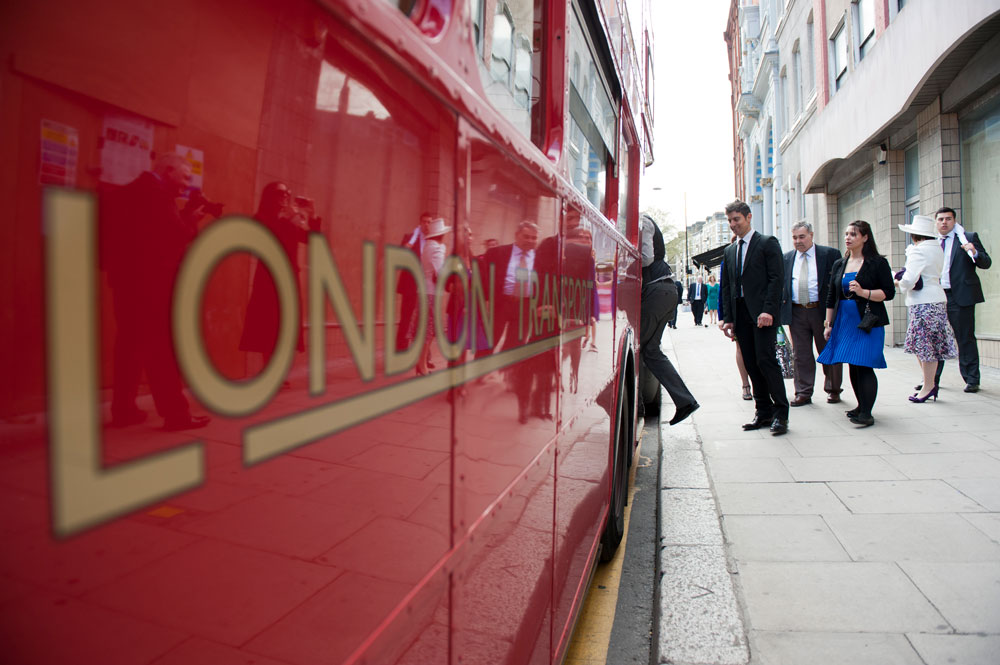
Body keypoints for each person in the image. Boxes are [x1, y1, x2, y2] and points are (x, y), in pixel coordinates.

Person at [102, 153, 210, 431]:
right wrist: (192, 218)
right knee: (160, 347)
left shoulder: (124, 193)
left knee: (128, 346)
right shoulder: (158, 195)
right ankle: (176, 415)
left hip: (124, 282)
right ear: (168, 170)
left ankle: (123, 410)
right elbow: (175, 235)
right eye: (185, 177)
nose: (187, 184)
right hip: (151, 285)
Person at [719, 200, 788, 435]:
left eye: (736, 219)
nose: (732, 224)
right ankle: (763, 412)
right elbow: (727, 287)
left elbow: (776, 280)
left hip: (763, 315)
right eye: (729, 220)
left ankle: (781, 414)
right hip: (740, 316)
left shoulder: (767, 243)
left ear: (748, 217)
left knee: (766, 361)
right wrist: (727, 318)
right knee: (750, 363)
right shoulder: (730, 251)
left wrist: (768, 310)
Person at [817, 220, 895, 427]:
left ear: (865, 237)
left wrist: (863, 292)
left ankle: (867, 413)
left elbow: (889, 293)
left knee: (865, 364)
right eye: (846, 234)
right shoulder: (839, 264)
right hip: (845, 320)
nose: (848, 238)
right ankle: (861, 406)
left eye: (853, 234)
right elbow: (831, 296)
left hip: (868, 321)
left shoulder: (877, 263)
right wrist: (828, 324)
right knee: (853, 363)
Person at [240, 182, 318, 378]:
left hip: (289, 280)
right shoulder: (260, 220)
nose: (285, 197)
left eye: (287, 194)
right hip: (268, 280)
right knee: (268, 326)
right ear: (270, 197)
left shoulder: (287, 222)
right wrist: (290, 221)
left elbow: (313, 240)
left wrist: (313, 216)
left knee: (286, 325)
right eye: (281, 194)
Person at [639, 214, 699, 426]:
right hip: (664, 291)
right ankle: (685, 401)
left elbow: (646, 258)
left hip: (656, 290)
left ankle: (637, 405)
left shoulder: (642, 220)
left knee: (638, 347)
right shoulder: (644, 221)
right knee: (651, 351)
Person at [779, 221, 843, 406]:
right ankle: (803, 392)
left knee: (828, 350)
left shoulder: (829, 255)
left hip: (822, 311)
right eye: (794, 237)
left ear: (811, 235)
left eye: (802, 236)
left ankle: (833, 389)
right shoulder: (786, 258)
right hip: (797, 311)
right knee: (801, 354)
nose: (798, 241)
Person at [895, 215, 957, 403]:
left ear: (914, 235)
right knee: (929, 345)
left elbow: (909, 279)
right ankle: (929, 384)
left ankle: (929, 386)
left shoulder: (918, 251)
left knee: (924, 347)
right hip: (937, 299)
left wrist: (897, 281)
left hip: (923, 303)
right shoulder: (937, 248)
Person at [933, 206, 992, 393]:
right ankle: (931, 380)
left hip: (960, 296)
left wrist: (974, 252)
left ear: (954, 221)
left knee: (965, 338)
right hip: (937, 296)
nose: (944, 222)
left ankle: (972, 379)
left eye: (948, 219)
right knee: (936, 339)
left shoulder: (968, 237)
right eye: (940, 219)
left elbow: (986, 262)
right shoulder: (931, 241)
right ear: (936, 222)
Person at [416, 217, 450, 376]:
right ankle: (421, 365)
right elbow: (440, 273)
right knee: (428, 331)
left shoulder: (428, 246)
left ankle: (421, 363)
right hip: (432, 293)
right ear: (441, 235)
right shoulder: (438, 248)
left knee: (424, 329)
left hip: (423, 291)